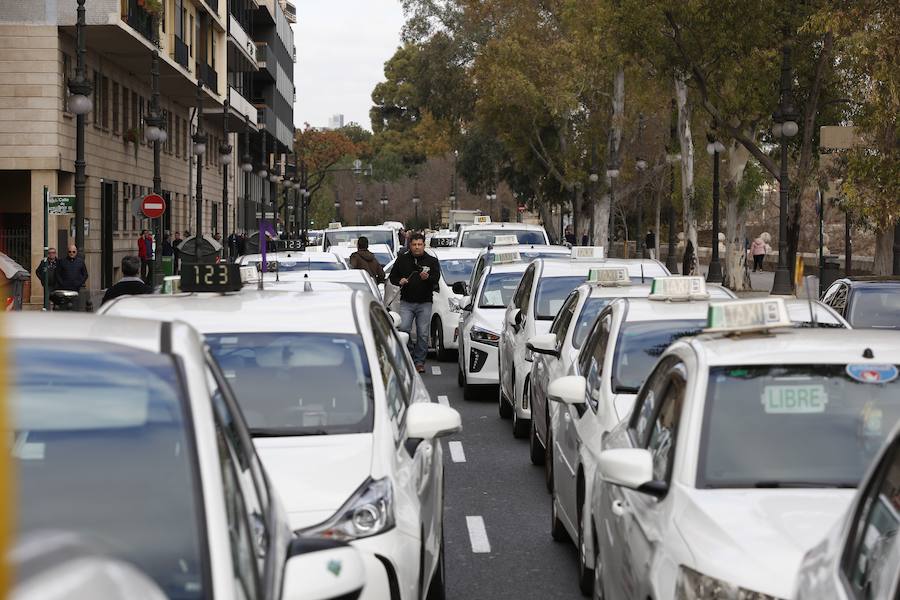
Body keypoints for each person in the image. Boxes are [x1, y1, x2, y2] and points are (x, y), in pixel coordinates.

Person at [388, 232, 441, 373]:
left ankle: (419, 362)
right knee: (404, 328)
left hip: (425, 302)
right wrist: (400, 281)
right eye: (414, 245)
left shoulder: (432, 261)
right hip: (407, 302)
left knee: (423, 333)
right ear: (409, 246)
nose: (417, 247)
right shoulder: (402, 260)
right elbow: (392, 277)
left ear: (424, 245)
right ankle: (409, 357)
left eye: (419, 245)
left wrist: (427, 278)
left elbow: (436, 279)